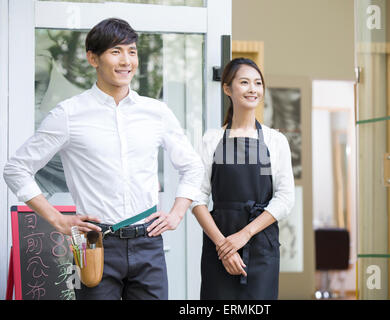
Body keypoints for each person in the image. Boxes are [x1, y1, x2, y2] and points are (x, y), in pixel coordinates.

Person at [3, 18, 204, 300]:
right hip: (94, 244)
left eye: (132, 51)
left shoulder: (156, 112)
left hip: (148, 244)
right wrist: (57, 219)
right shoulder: (69, 114)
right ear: (92, 58)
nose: (126, 61)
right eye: (116, 51)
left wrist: (177, 212)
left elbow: (192, 166)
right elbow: (16, 169)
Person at [191, 58, 295, 299]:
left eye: (258, 83)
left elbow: (285, 198)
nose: (253, 89)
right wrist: (223, 246)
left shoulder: (275, 140)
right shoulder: (211, 139)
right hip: (219, 242)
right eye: (245, 82)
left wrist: (244, 235)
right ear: (227, 88)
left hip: (261, 245)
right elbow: (196, 198)